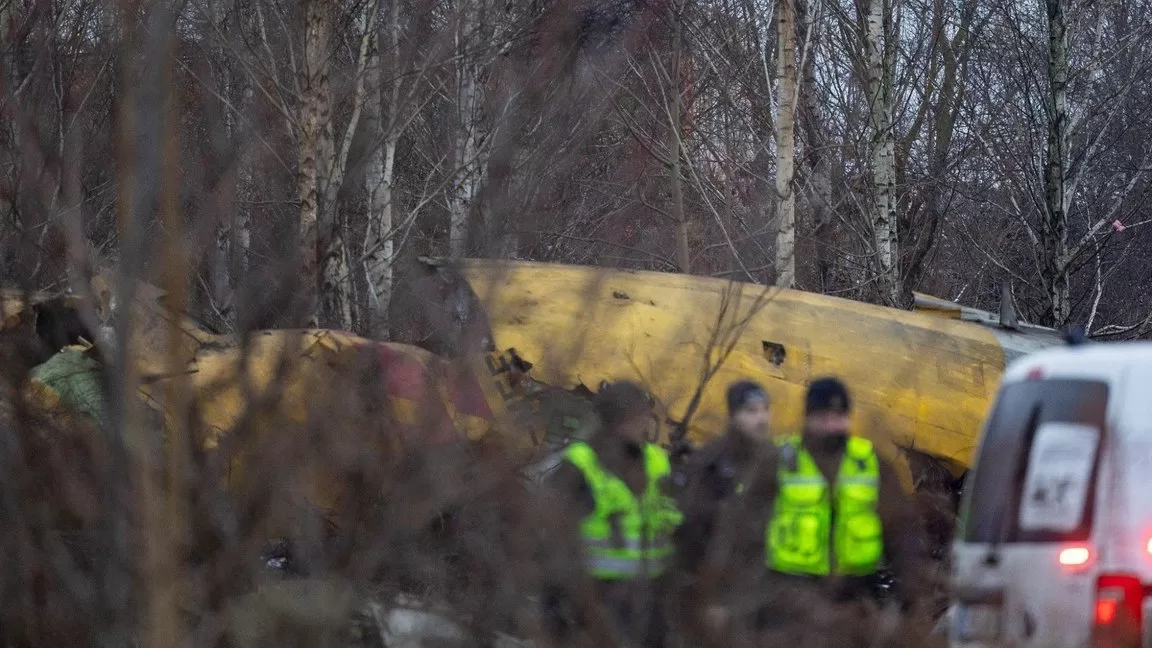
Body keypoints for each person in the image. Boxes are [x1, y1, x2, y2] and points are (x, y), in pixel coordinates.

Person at [539, 380, 683, 647]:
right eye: (639, 416)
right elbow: (555, 539)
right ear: (618, 420)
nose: (646, 424)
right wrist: (557, 610)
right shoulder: (581, 464)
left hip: (649, 603)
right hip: (598, 600)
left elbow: (671, 518)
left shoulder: (657, 460)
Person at [670, 381, 780, 643]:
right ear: (734, 416)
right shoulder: (712, 462)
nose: (761, 419)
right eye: (751, 412)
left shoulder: (776, 459)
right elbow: (692, 535)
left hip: (764, 589)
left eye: (765, 410)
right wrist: (709, 597)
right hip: (717, 592)